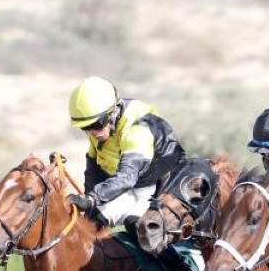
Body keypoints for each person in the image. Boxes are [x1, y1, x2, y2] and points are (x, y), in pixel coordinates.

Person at [66, 76, 186, 230]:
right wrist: (89, 203)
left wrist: (92, 199)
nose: (93, 132)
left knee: (139, 227)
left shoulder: (137, 131)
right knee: (91, 222)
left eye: (97, 124)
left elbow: (127, 177)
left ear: (113, 111)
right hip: (136, 186)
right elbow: (93, 172)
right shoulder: (101, 131)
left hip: (164, 189)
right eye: (86, 127)